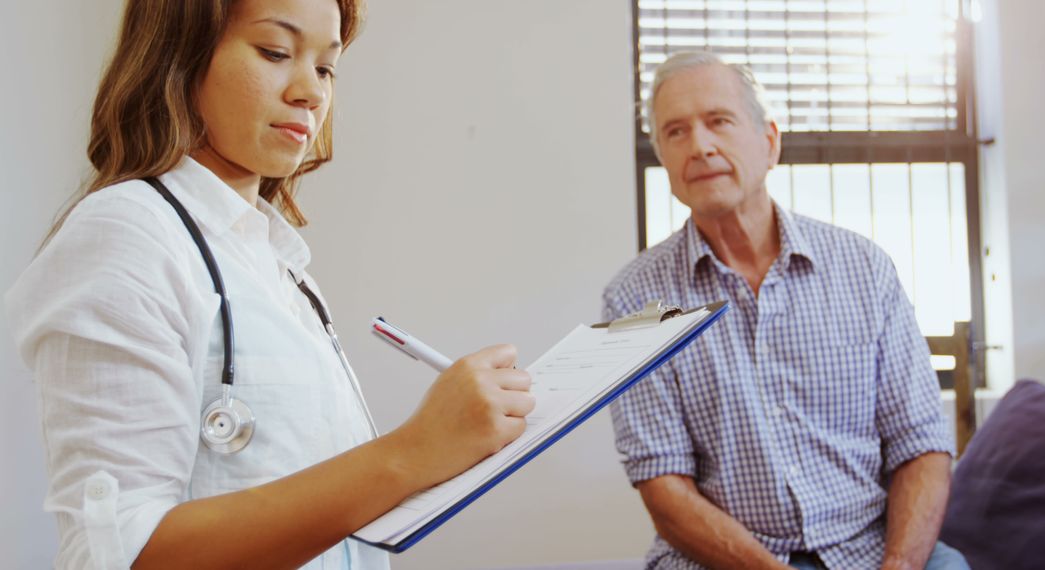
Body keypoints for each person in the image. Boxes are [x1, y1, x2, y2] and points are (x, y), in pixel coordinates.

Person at [4, 0, 536, 568]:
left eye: (326, 67)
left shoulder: (280, 264)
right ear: (179, 55)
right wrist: (412, 452)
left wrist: (447, 450)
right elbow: (126, 553)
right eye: (276, 52)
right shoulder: (124, 235)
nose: (311, 92)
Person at [604, 52, 969, 570]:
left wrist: (900, 566)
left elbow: (922, 444)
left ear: (770, 141)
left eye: (719, 121)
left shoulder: (864, 268)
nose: (700, 145)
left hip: (875, 549)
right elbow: (664, 487)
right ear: (662, 157)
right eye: (676, 132)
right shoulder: (635, 300)